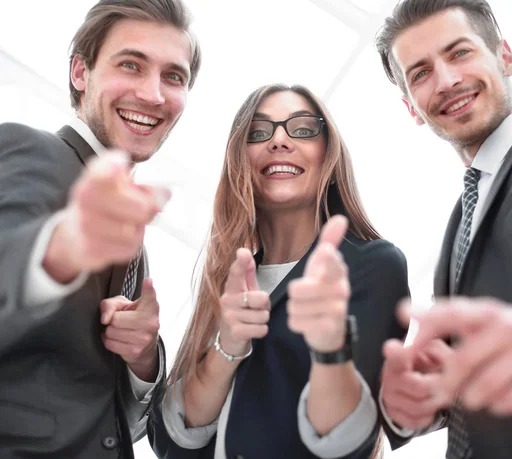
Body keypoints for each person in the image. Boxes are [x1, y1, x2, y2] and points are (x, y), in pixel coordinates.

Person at [375, 0, 512, 458]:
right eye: (420, 73)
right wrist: (416, 398)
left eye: (459, 53)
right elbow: (461, 370)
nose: (447, 81)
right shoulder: (459, 222)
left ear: (506, 55)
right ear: (411, 107)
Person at [147, 84, 409, 459]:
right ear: (241, 163)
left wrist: (329, 349)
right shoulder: (228, 279)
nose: (280, 140)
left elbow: (346, 441)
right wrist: (227, 349)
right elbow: (169, 441)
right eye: (258, 132)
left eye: (302, 129)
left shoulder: (371, 266)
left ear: (329, 158)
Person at [0, 1, 200, 458]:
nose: (153, 95)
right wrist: (55, 255)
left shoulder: (133, 245)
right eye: (131, 65)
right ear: (80, 73)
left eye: (174, 76)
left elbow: (116, 427)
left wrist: (142, 358)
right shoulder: (28, 152)